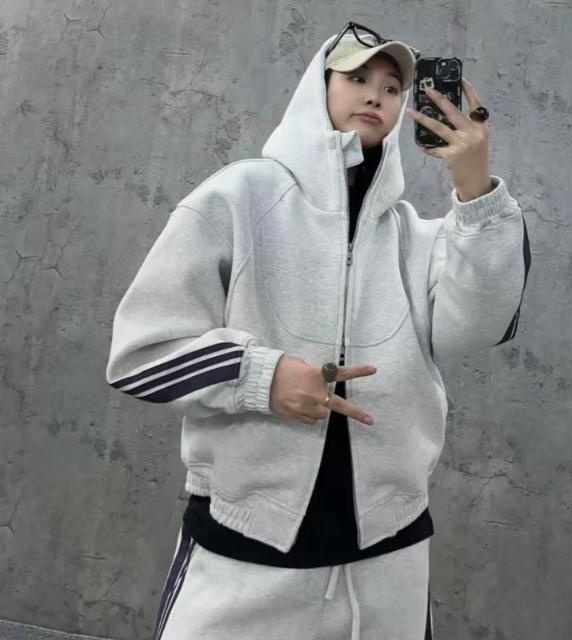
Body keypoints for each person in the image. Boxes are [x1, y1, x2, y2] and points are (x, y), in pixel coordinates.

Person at [105, 22, 531, 640]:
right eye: (356, 77)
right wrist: (261, 376)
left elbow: (481, 326)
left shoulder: (413, 237)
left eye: (392, 87)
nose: (375, 94)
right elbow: (141, 352)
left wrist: (476, 191)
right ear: (318, 87)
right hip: (247, 552)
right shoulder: (239, 197)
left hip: (388, 559)